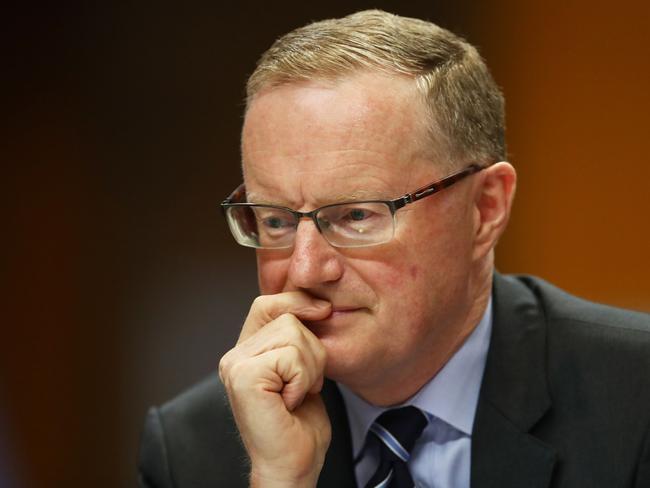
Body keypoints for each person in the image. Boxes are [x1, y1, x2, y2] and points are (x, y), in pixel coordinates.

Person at [138, 10, 650, 488]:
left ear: (485, 209)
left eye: (357, 215)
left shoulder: (634, 399)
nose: (305, 269)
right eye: (275, 221)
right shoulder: (191, 450)